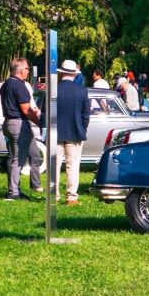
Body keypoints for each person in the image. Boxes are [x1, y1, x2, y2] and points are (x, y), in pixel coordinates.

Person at [0, 57, 42, 200]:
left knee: (32, 153)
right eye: (27, 69)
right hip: (18, 123)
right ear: (21, 70)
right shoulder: (19, 85)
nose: (28, 71)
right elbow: (26, 110)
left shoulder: (6, 84)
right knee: (18, 159)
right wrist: (39, 121)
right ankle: (13, 192)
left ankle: (18, 188)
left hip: (10, 122)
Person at [55, 59, 90, 206]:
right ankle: (71, 196)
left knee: (54, 165)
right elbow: (86, 115)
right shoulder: (81, 91)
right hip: (75, 132)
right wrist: (82, 129)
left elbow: (44, 114)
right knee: (73, 166)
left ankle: (53, 195)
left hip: (55, 132)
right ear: (75, 75)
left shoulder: (53, 89)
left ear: (61, 73)